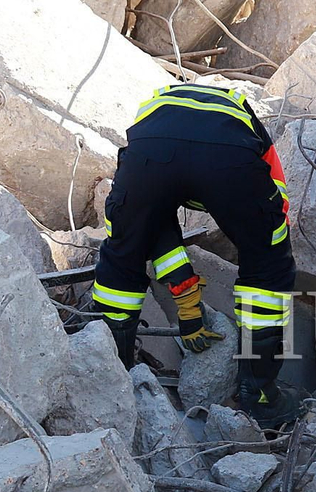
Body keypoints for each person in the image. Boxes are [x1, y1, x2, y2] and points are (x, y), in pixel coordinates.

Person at [91, 83, 296, 424]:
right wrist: (267, 245)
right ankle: (259, 397)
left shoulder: (153, 107)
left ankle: (111, 379)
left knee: (121, 256)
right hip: (228, 155)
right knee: (268, 265)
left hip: (152, 151)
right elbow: (279, 205)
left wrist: (188, 304)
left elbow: (151, 226)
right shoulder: (243, 116)